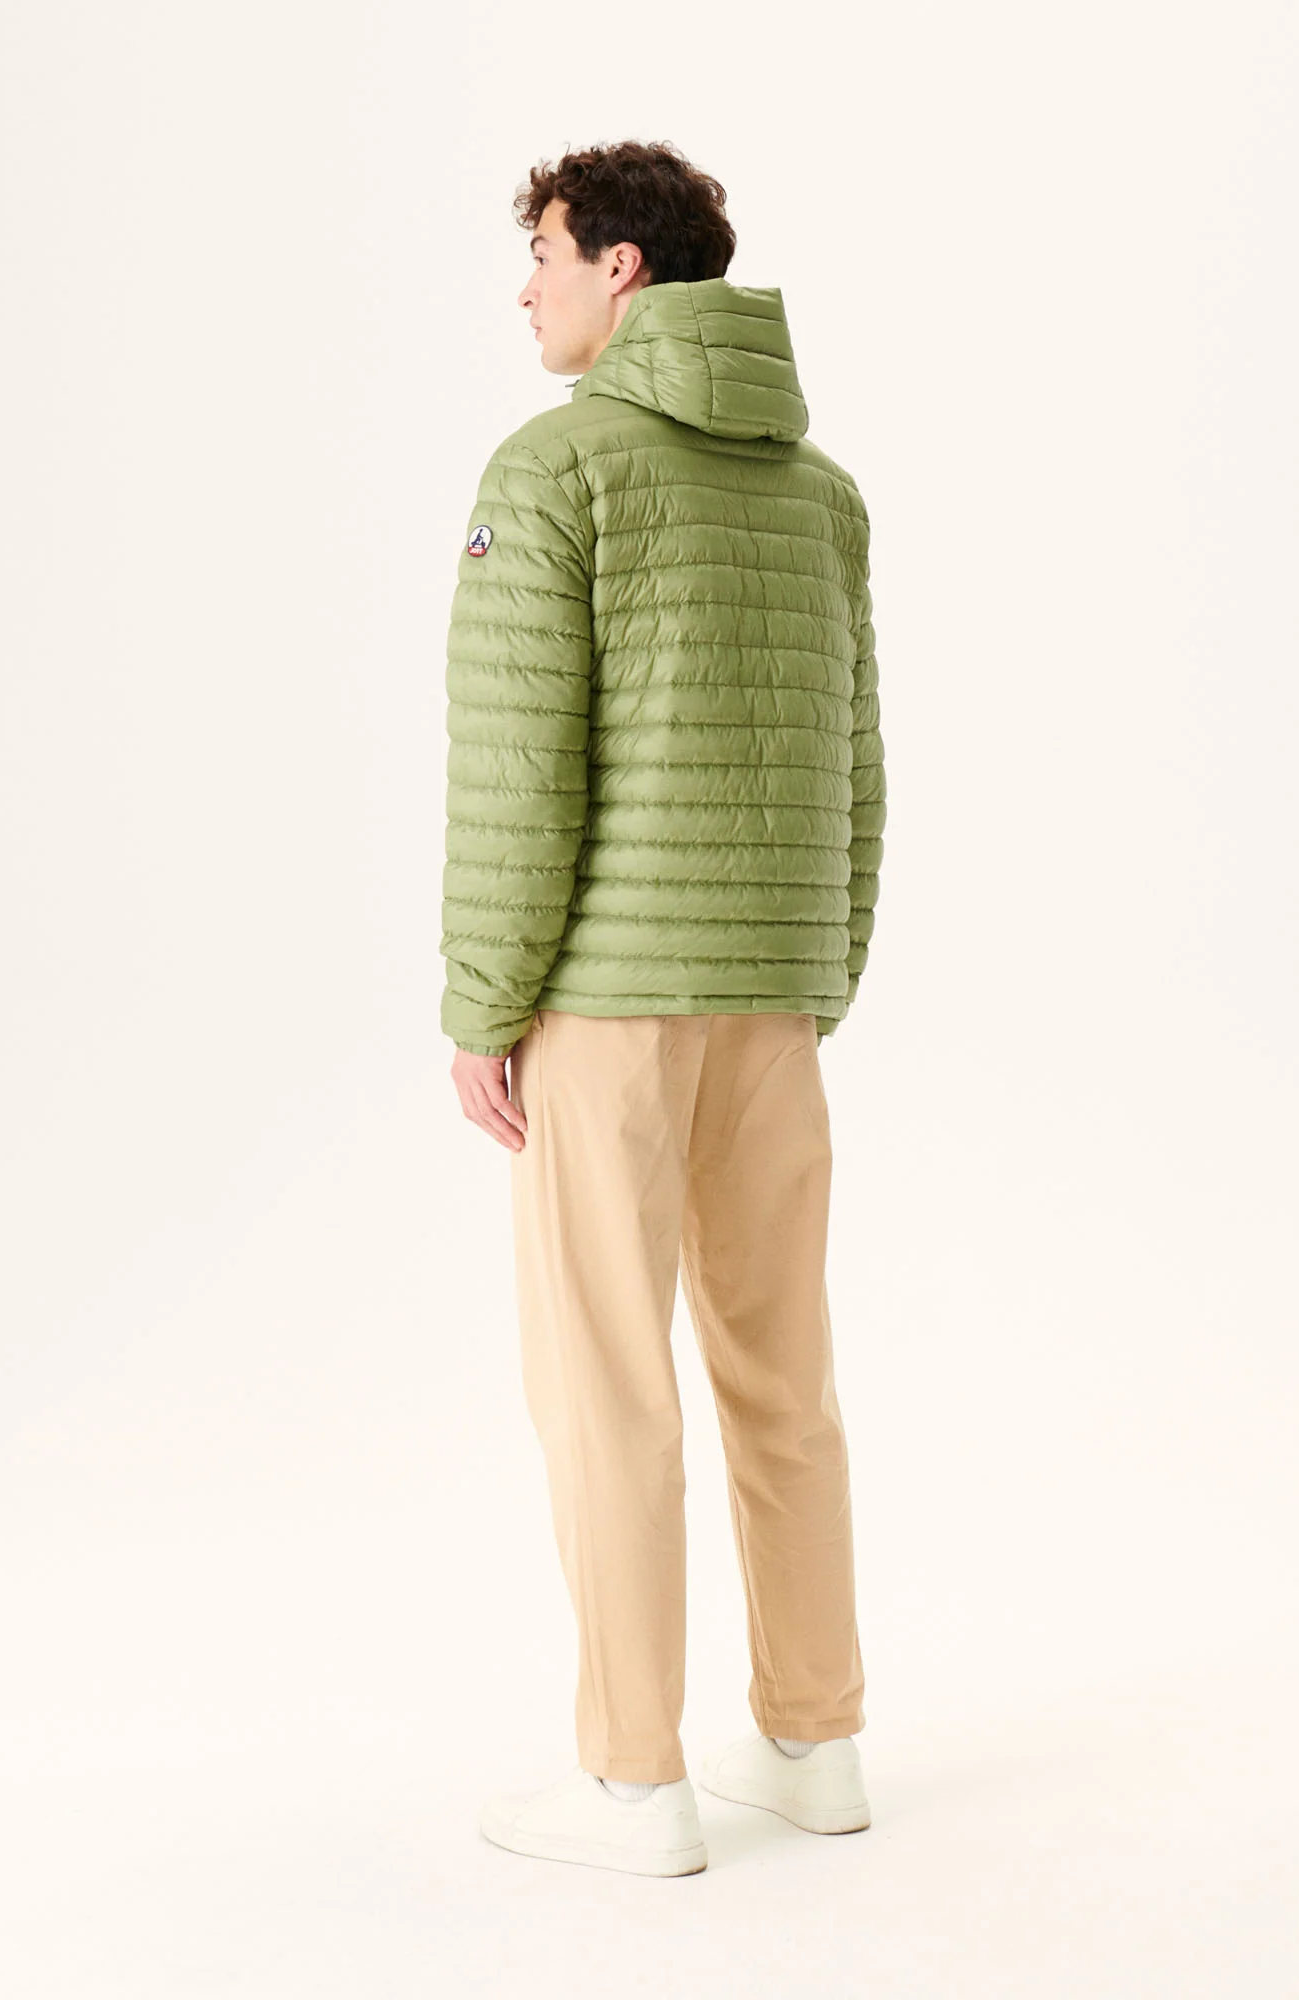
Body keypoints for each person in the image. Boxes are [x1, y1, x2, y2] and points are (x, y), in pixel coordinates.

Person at [440, 139, 885, 1877]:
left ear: (621, 268)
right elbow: (859, 760)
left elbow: (517, 769)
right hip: (774, 1002)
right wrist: (820, 970)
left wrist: (485, 1004)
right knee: (786, 1379)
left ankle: (635, 1786)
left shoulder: (553, 467)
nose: (527, 287)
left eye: (547, 255)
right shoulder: (821, 492)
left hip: (610, 1008)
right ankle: (815, 1742)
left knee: (607, 1388)